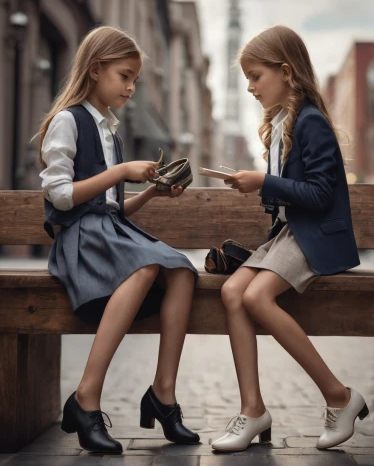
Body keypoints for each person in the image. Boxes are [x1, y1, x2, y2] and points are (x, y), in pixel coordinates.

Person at [37, 26, 200, 454]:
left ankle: (163, 395)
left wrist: (148, 192)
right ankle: (86, 397)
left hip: (108, 234)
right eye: (124, 76)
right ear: (95, 70)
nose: (130, 87)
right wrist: (120, 171)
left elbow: (111, 208)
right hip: (79, 241)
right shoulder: (67, 122)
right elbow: (61, 196)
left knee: (182, 270)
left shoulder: (111, 131)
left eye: (135, 80)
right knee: (145, 264)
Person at [211, 25, 369, 452]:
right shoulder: (283, 122)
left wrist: (263, 181)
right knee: (231, 293)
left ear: (286, 71)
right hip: (288, 234)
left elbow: (319, 195)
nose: (249, 87)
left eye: (256, 76)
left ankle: (339, 396)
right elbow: (287, 202)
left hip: (313, 235)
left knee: (256, 297)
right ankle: (253, 409)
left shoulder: (310, 121)